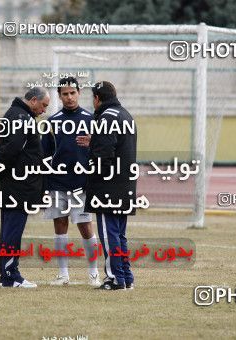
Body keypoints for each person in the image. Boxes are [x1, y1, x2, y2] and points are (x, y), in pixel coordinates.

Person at [41, 77, 101, 287]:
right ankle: (63, 274)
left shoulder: (91, 119)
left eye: (72, 93)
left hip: (82, 183)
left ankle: (94, 274)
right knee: (60, 226)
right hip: (57, 182)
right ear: (59, 96)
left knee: (86, 226)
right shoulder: (52, 122)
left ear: (79, 93)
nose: (69, 97)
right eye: (65, 94)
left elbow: (100, 151)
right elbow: (44, 155)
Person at [0, 87, 50, 288]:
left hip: (14, 183)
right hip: (19, 185)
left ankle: (5, 273)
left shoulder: (14, 114)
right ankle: (10, 275)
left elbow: (4, 148)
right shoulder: (22, 118)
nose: (44, 111)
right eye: (43, 105)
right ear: (33, 100)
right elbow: (12, 149)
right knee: (13, 230)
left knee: (9, 228)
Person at [85, 81, 137, 290]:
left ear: (97, 98)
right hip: (125, 185)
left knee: (108, 234)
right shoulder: (126, 115)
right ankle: (126, 277)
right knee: (119, 234)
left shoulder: (106, 118)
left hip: (108, 187)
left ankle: (115, 278)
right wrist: (95, 141)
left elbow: (103, 156)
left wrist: (90, 176)